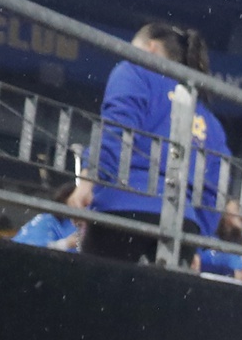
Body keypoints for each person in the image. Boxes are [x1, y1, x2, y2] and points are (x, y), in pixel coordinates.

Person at [72, 22, 231, 264]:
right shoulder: (209, 120)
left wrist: (90, 179)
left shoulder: (134, 71)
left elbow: (117, 129)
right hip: (182, 225)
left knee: (100, 300)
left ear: (151, 48)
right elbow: (215, 188)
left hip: (122, 210)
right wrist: (199, 234)